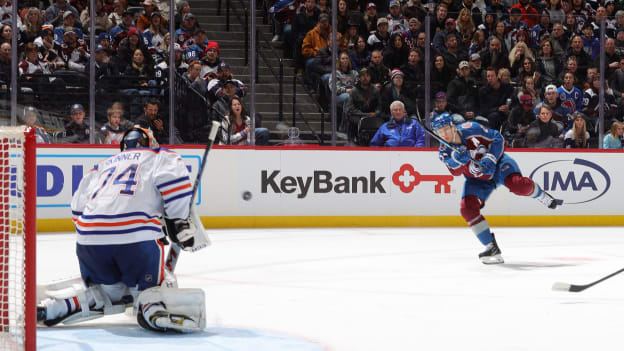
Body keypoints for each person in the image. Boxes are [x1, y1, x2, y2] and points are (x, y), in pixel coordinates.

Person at [37, 127, 207, 333]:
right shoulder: (159, 156)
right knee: (158, 283)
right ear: (149, 142)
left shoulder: (101, 166)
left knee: (109, 291)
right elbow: (176, 185)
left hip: (89, 242)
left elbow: (77, 207)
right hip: (136, 241)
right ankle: (152, 307)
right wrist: (177, 222)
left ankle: (57, 307)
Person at [431, 113, 558, 264]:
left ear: (453, 126)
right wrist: (458, 160)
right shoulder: (444, 151)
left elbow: (498, 138)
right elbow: (455, 171)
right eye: (440, 132)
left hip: (498, 165)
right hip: (477, 180)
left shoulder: (472, 128)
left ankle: (540, 195)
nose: (443, 135)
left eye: (446, 129)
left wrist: (491, 157)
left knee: (518, 185)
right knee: (467, 208)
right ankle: (491, 246)